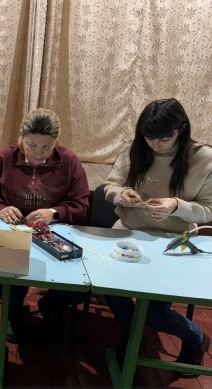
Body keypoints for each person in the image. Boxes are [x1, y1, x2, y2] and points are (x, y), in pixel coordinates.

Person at [104, 97, 212, 376]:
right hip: (128, 233)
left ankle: (196, 338)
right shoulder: (133, 149)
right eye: (148, 138)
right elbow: (110, 186)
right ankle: (133, 335)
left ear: (181, 129)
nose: (155, 145)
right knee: (109, 288)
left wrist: (176, 206)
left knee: (154, 313)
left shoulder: (203, 159)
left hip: (174, 243)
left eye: (164, 138)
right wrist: (122, 195)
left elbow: (208, 210)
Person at [0, 108, 90, 342]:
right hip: (11, 231)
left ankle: (52, 305)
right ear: (22, 138)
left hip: (53, 233)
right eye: (32, 145)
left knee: (75, 286)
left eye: (47, 147)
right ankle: (13, 310)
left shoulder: (68, 161)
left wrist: (54, 213)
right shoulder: (4, 157)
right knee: (8, 280)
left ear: (56, 141)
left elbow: (81, 204)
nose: (38, 153)